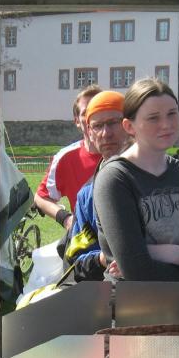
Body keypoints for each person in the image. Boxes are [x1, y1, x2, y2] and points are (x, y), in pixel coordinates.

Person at [93, 78, 179, 281]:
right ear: (129, 126)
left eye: (172, 114)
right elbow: (138, 270)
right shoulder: (115, 179)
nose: (166, 125)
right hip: (135, 299)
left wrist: (174, 253)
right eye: (153, 118)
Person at [64, 90, 130, 282]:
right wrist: (104, 258)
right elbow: (76, 261)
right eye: (98, 126)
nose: (106, 133)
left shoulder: (158, 177)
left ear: (129, 125)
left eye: (113, 122)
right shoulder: (87, 196)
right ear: (89, 133)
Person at [34, 84, 102, 231]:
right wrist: (65, 218)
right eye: (86, 112)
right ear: (77, 121)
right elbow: (41, 197)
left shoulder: (129, 153)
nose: (93, 117)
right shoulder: (66, 157)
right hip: (88, 239)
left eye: (98, 110)